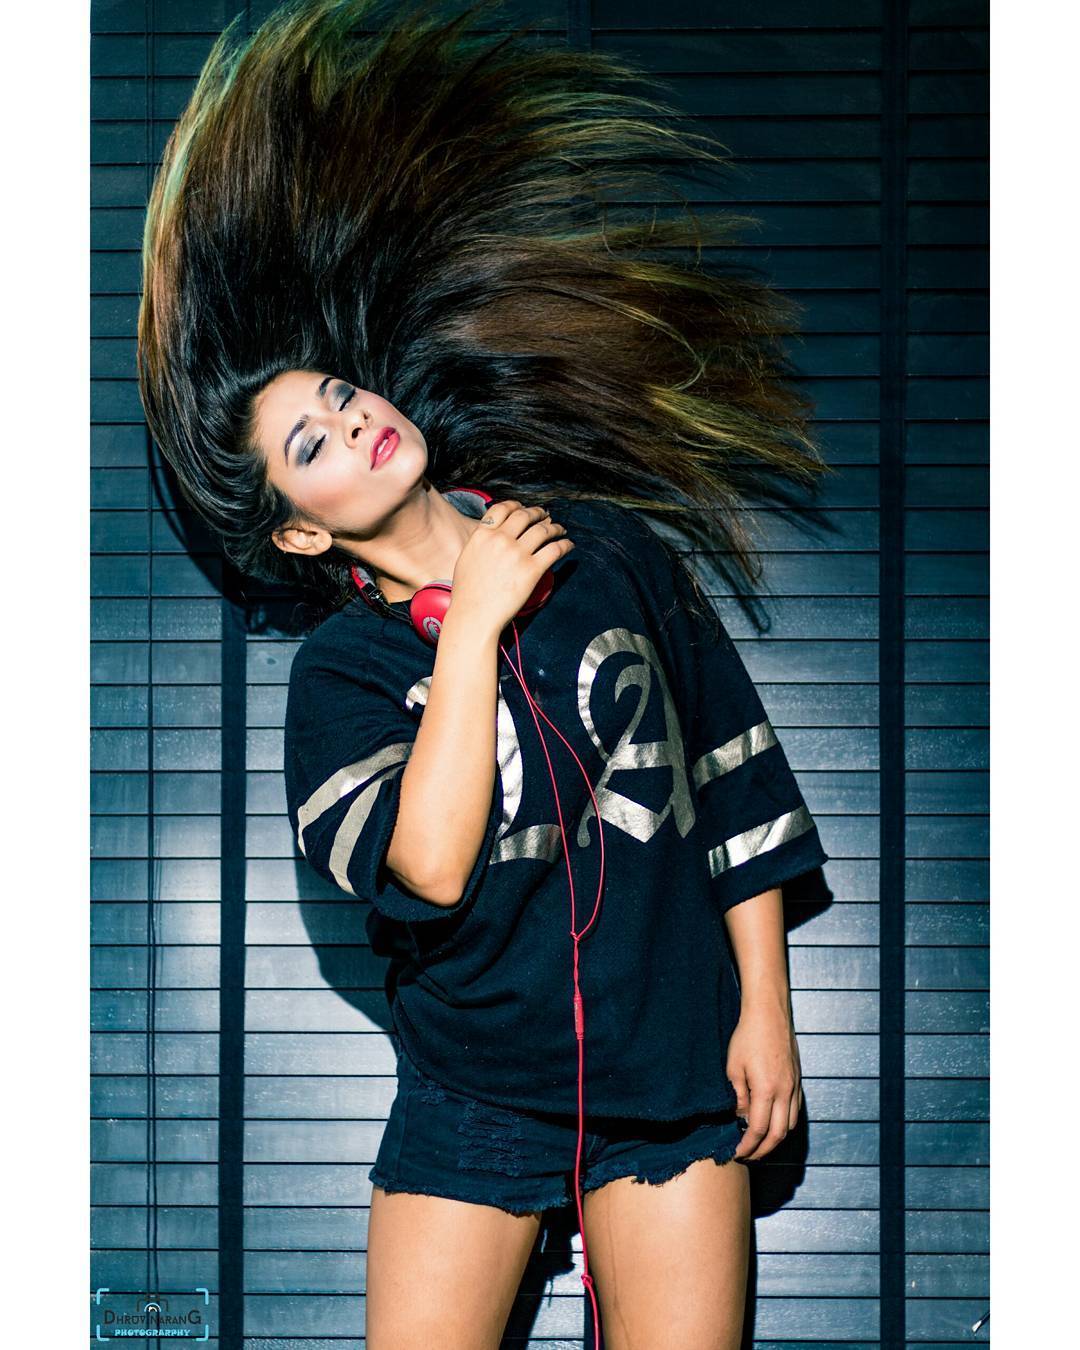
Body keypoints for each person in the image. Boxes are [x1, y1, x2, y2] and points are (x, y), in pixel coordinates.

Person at [136, 3, 833, 1345]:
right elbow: (429, 868)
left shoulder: (614, 553)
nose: (350, 422)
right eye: (310, 446)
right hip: (475, 1089)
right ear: (299, 530)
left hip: (673, 1071)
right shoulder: (342, 676)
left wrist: (767, 1011)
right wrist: (470, 627)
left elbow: (735, 785)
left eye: (341, 397)